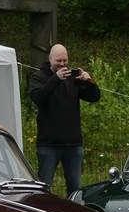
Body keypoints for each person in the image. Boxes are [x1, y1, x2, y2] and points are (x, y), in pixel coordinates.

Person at [28, 43, 100, 195]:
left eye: (65, 61)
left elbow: (94, 97)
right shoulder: (38, 77)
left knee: (75, 189)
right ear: (50, 59)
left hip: (73, 144)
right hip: (48, 145)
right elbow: (38, 98)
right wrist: (55, 79)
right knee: (44, 188)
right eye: (58, 61)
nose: (62, 64)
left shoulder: (72, 77)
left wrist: (88, 81)